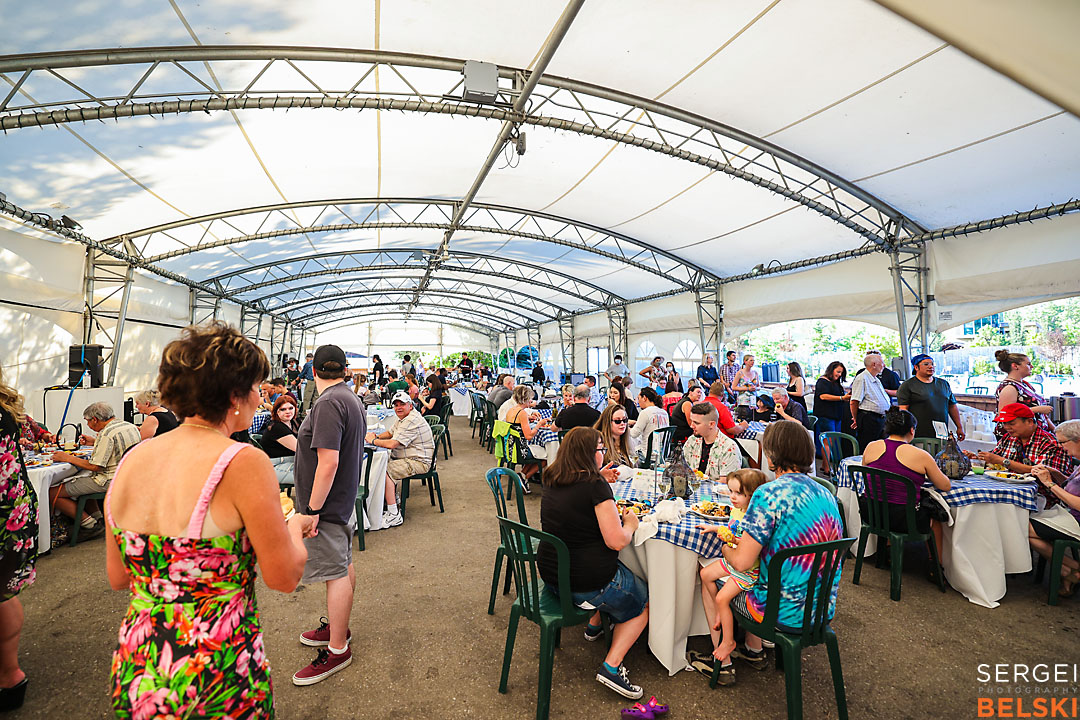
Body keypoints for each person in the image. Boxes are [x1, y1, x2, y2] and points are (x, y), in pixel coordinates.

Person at [104, 322, 315, 717]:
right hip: (214, 671)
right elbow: (284, 577)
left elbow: (119, 578)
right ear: (235, 395)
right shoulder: (241, 462)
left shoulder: (131, 462)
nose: (259, 397)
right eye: (256, 387)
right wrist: (294, 527)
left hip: (141, 666)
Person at [693, 421, 843, 684]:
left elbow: (741, 561)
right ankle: (753, 650)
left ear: (771, 454)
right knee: (757, 572)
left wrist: (724, 542)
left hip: (777, 612)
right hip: (820, 608)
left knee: (708, 573)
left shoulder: (768, 494)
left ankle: (724, 661)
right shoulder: (826, 493)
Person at [537, 427, 649, 700]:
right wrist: (631, 524)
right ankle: (612, 666)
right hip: (585, 583)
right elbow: (616, 542)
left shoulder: (553, 476)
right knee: (645, 601)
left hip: (553, 574)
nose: (603, 453)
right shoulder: (595, 488)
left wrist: (598, 477)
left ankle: (595, 625)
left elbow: (578, 498)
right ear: (588, 454)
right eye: (600, 450)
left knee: (618, 569)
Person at [291, 344, 366, 686]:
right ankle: (338, 628)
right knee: (343, 564)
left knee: (335, 572)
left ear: (314, 369)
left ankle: (337, 648)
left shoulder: (327, 402)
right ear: (344, 369)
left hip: (327, 506)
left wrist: (312, 511)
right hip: (341, 500)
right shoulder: (349, 398)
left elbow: (329, 461)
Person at [695, 469, 768, 672]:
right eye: (731, 491)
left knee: (721, 598)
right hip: (733, 561)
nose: (733, 497)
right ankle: (722, 613)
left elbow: (746, 546)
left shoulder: (753, 518)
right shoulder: (735, 510)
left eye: (739, 493)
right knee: (705, 574)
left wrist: (730, 540)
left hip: (747, 571)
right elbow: (731, 530)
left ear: (752, 496)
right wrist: (716, 529)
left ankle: (728, 641)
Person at [862, 408, 952, 560]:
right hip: (904, 520)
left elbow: (866, 475)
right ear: (912, 430)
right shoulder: (920, 455)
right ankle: (936, 564)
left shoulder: (871, 446)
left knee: (891, 500)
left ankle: (889, 550)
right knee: (936, 517)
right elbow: (945, 486)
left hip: (871, 514)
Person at [0, 370, 38, 712]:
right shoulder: (5, 408)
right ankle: (10, 674)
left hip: (4, 512)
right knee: (3, 593)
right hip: (13, 510)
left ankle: (9, 675)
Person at [49, 402, 140, 538]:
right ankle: (98, 518)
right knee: (81, 478)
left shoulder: (106, 434)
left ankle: (90, 525)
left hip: (109, 479)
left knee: (52, 493)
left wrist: (67, 457)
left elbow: (95, 466)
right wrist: (94, 442)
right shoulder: (128, 426)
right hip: (128, 476)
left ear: (95, 420)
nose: (87, 425)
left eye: (87, 421)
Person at [366, 391, 435, 528]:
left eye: (402, 404)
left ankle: (394, 515)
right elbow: (391, 433)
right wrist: (377, 437)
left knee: (385, 470)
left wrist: (373, 441)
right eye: (396, 405)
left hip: (419, 461)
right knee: (384, 463)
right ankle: (391, 499)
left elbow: (392, 443)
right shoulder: (404, 418)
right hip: (411, 457)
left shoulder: (411, 420)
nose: (398, 407)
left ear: (410, 405)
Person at [1028, 420, 1080, 597]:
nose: (1060, 447)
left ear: (1078, 440)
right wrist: (1052, 472)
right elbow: (1070, 483)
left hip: (1077, 521)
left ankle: (1070, 570)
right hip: (1069, 516)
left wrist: (1049, 483)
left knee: (1022, 527)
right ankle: (1068, 571)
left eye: (1063, 442)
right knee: (1022, 524)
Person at [967, 403, 1072, 479]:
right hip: (1009, 485)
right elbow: (995, 457)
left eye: (1011, 424)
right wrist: (978, 457)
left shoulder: (1049, 443)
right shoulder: (1009, 437)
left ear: (1030, 422)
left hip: (1041, 494)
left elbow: (1046, 473)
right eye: (1004, 424)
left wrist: (1003, 461)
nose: (1006, 427)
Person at [898, 355, 964, 441]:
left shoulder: (943, 384)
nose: (930, 366)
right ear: (916, 367)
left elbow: (952, 406)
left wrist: (959, 427)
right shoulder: (907, 385)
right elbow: (903, 411)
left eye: (932, 364)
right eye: (926, 364)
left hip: (941, 432)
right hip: (919, 434)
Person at [994, 350, 1054, 439]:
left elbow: (1042, 413)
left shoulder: (1025, 385)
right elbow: (1005, 414)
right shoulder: (1009, 388)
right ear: (1015, 366)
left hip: (1035, 436)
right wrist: (1037, 409)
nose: (1032, 366)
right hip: (1016, 438)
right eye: (1028, 364)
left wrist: (1053, 429)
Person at [683, 403, 740, 483]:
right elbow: (682, 469)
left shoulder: (729, 447)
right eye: (692, 421)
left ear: (711, 424)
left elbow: (726, 482)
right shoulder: (691, 441)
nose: (691, 426)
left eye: (696, 423)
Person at [506, 386, 551, 485]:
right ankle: (525, 477)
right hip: (520, 450)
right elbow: (529, 436)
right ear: (525, 399)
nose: (531, 400)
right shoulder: (522, 413)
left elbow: (516, 423)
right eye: (530, 398)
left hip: (511, 447)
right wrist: (540, 424)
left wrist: (529, 418)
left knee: (538, 452)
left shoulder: (511, 410)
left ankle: (522, 475)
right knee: (546, 455)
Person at [849, 352, 891, 453]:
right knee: (869, 448)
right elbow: (854, 401)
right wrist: (855, 418)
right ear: (874, 364)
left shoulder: (875, 378)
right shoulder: (862, 378)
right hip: (869, 418)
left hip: (880, 418)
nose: (884, 365)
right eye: (882, 362)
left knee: (881, 449)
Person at [814, 361, 850, 475]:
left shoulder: (836, 383)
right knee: (827, 442)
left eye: (841, 373)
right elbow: (823, 396)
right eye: (838, 371)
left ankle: (825, 465)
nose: (839, 374)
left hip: (836, 415)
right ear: (831, 370)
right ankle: (827, 468)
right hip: (826, 415)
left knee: (832, 441)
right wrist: (841, 398)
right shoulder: (822, 381)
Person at [629, 387, 669, 464]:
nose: (638, 401)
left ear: (644, 398)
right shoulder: (664, 413)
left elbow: (633, 434)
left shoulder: (645, 412)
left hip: (646, 456)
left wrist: (626, 427)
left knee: (627, 454)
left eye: (638, 398)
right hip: (662, 456)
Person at [594, 404, 635, 469]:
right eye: (617, 421)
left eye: (625, 420)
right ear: (607, 422)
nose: (622, 424)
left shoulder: (629, 441)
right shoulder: (599, 443)